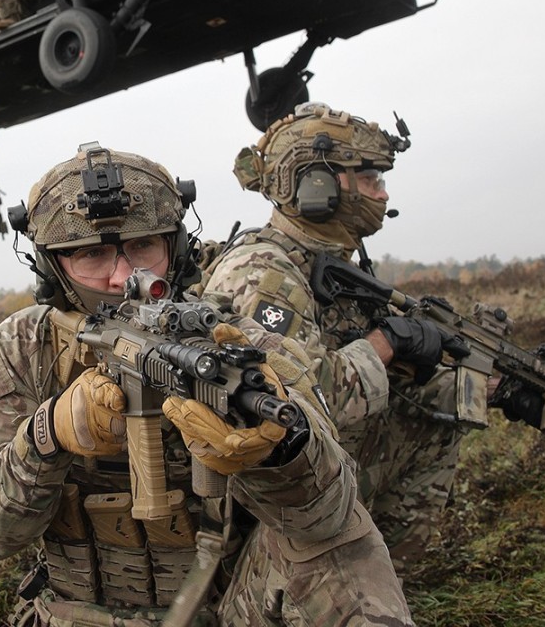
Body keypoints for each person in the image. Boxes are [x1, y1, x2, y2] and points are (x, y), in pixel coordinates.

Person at [0, 143, 418, 626]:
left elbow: (330, 514)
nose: (125, 275)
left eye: (144, 246)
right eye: (92, 253)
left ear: (176, 247)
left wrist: (279, 453)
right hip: (72, 612)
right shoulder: (17, 350)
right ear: (51, 267)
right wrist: (45, 437)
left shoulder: (236, 339)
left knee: (344, 546)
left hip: (228, 608)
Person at [198, 102, 470, 571]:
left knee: (443, 399)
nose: (383, 193)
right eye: (371, 179)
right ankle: (336, 577)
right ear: (317, 185)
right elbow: (301, 401)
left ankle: (380, 571)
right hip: (269, 500)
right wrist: (387, 344)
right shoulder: (265, 271)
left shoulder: (326, 260)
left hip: (319, 473)